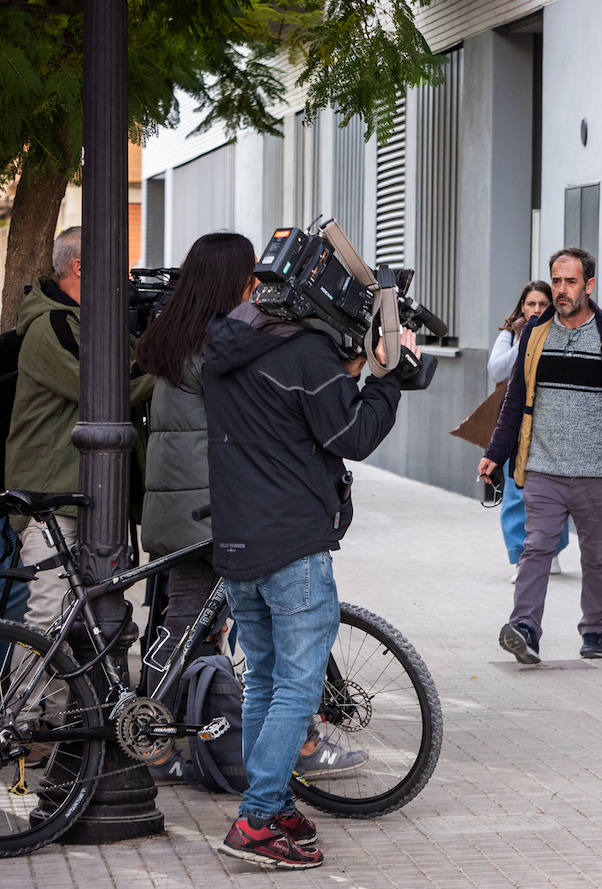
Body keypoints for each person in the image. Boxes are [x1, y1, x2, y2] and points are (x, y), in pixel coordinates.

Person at [134, 231, 363, 786]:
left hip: (174, 509)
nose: (260, 287)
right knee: (278, 634)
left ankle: (150, 739)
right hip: (218, 508)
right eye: (252, 278)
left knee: (186, 626)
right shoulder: (220, 345)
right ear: (233, 281)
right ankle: (299, 743)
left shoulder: (175, 335)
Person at [204, 289, 419, 868]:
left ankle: (270, 808)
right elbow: (352, 435)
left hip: (237, 541)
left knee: (266, 683)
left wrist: (354, 368)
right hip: (292, 543)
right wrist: (388, 377)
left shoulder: (229, 347)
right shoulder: (304, 355)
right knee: (297, 688)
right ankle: (255, 819)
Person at [479, 247, 602, 665]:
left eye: (571, 282)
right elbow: (515, 399)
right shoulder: (535, 332)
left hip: (598, 470)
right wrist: (495, 452)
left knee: (598, 555)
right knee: (536, 548)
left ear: (589, 284)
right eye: (556, 281)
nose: (561, 290)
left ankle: (594, 630)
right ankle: (525, 629)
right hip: (543, 467)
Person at [6, 226, 153, 640]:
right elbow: (105, 388)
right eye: (117, 268)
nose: (124, 280)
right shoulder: (53, 325)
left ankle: (67, 706)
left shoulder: (89, 323)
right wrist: (168, 359)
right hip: (52, 497)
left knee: (77, 624)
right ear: (81, 265)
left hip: (85, 495)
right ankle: (27, 707)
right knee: (47, 619)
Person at [487, 281, 569, 581]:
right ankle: (520, 556)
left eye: (542, 305)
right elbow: (495, 370)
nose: (536, 310)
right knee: (515, 492)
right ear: (522, 305)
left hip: (551, 423)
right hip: (516, 424)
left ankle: (554, 550)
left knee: (554, 491)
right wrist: (524, 345)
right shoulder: (511, 333)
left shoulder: (563, 331)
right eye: (530, 304)